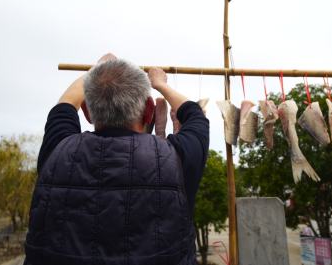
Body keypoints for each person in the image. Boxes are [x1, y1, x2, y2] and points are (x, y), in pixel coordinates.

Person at [25, 53, 209, 265]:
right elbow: (195, 115)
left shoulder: (58, 151)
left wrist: (95, 71)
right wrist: (160, 84)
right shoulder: (176, 158)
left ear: (87, 112)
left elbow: (64, 106)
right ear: (149, 111)